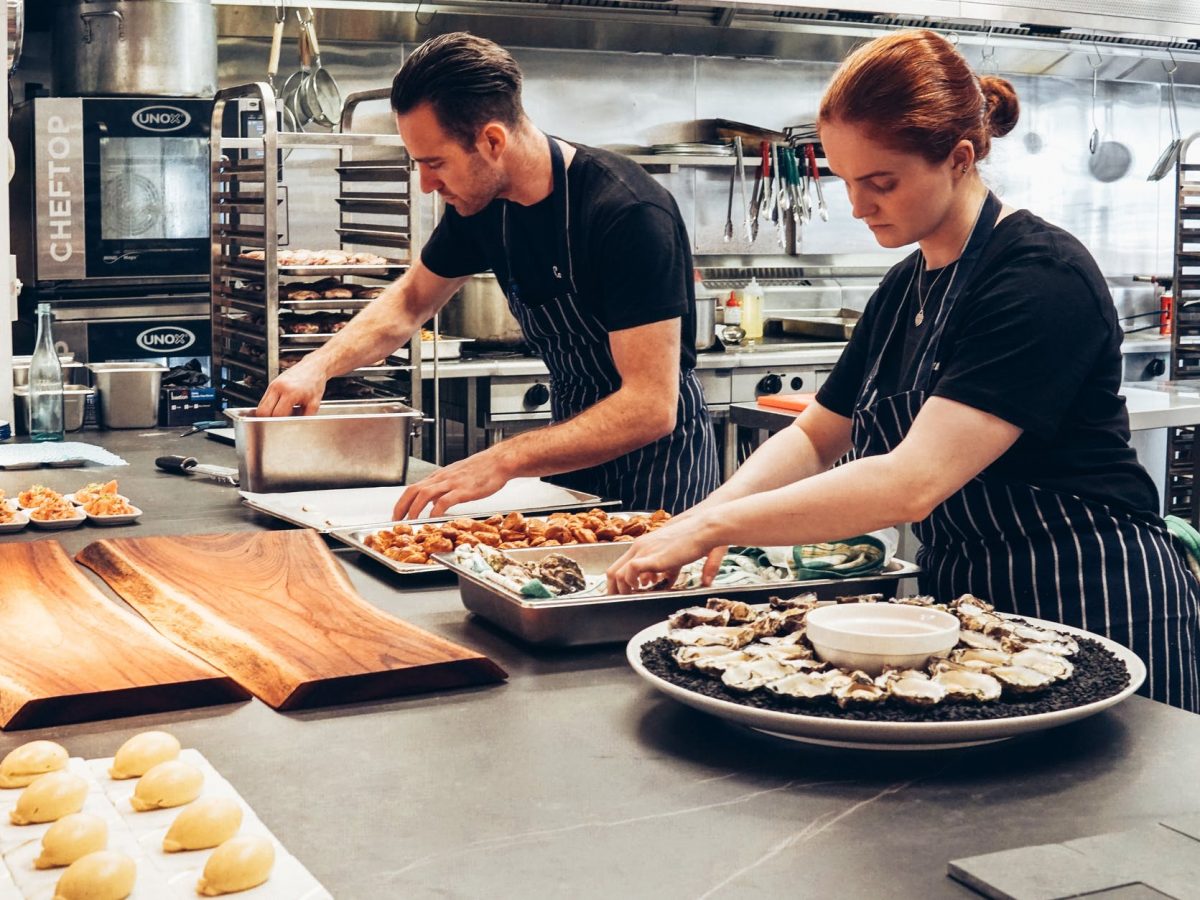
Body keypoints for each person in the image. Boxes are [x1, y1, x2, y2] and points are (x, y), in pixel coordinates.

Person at [607, 29, 1200, 712]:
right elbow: (814, 438)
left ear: (958, 158)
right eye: (846, 180)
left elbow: (911, 483)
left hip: (1094, 594)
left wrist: (717, 529)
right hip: (972, 612)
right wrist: (704, 514)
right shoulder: (904, 286)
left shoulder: (1039, 277)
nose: (858, 206)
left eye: (880, 182)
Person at [255, 32, 719, 518]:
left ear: (492, 140)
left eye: (435, 163)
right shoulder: (483, 207)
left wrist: (503, 458)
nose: (427, 184)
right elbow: (412, 300)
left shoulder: (626, 212)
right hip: (569, 457)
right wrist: (317, 366)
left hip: (661, 476)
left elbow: (649, 406)